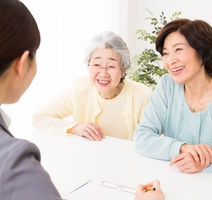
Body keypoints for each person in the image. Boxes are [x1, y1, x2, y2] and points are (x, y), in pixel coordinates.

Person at [32, 31, 152, 141]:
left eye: (111, 66)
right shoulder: (79, 89)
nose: (103, 73)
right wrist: (75, 128)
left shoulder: (142, 96)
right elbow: (38, 118)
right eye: (96, 64)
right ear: (88, 65)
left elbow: (154, 138)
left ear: (123, 70)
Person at [134, 18, 212, 174]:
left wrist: (204, 164)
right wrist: (181, 148)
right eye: (165, 53)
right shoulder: (167, 85)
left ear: (203, 52)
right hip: (175, 182)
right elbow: (142, 137)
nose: (170, 61)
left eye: (179, 50)